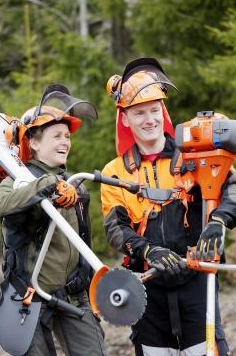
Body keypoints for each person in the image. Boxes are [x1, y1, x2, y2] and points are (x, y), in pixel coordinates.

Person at [100, 58, 236, 356]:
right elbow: (115, 228)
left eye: (153, 110)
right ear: (124, 118)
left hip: (196, 282)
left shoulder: (194, 155)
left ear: (162, 111)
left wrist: (219, 220)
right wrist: (148, 250)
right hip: (148, 290)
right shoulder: (114, 172)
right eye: (139, 113)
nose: (149, 120)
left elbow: (231, 186)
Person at [0, 91, 106, 356]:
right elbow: (4, 205)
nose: (65, 142)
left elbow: (83, 242)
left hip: (73, 294)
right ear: (33, 143)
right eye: (57, 135)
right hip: (29, 296)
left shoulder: (73, 184)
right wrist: (46, 186)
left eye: (67, 136)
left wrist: (90, 287)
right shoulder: (16, 180)